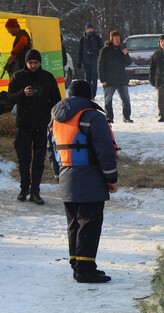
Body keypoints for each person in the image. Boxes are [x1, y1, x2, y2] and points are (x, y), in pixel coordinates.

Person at [47, 80, 118, 283]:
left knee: (74, 224)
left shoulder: (55, 120)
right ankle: (85, 269)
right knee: (89, 222)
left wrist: (58, 175)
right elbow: (105, 151)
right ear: (90, 96)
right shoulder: (93, 117)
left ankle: (77, 263)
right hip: (90, 179)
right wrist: (111, 177)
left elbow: (51, 150)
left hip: (66, 177)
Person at [7, 49, 61, 205]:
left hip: (41, 125)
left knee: (39, 159)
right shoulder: (18, 77)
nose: (33, 65)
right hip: (23, 125)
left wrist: (47, 113)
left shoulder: (47, 77)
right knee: (23, 158)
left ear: (40, 63)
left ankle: (35, 191)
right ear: (26, 62)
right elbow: (9, 98)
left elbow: (56, 100)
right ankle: (24, 189)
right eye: (30, 63)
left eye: (36, 62)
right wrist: (22, 94)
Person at [98, 30, 133, 123]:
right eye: (115, 38)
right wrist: (102, 79)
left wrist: (126, 54)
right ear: (111, 39)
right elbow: (100, 65)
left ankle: (126, 117)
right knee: (108, 100)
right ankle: (109, 118)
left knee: (126, 99)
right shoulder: (105, 50)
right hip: (109, 79)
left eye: (119, 38)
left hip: (121, 79)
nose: (118, 40)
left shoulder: (122, 49)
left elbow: (129, 62)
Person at [77, 22, 102, 99]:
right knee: (87, 80)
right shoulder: (82, 39)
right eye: (88, 29)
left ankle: (93, 94)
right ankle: (88, 94)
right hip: (86, 62)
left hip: (95, 62)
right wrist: (79, 62)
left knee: (94, 79)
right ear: (86, 30)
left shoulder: (97, 38)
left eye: (91, 28)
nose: (90, 30)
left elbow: (102, 49)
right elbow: (80, 51)